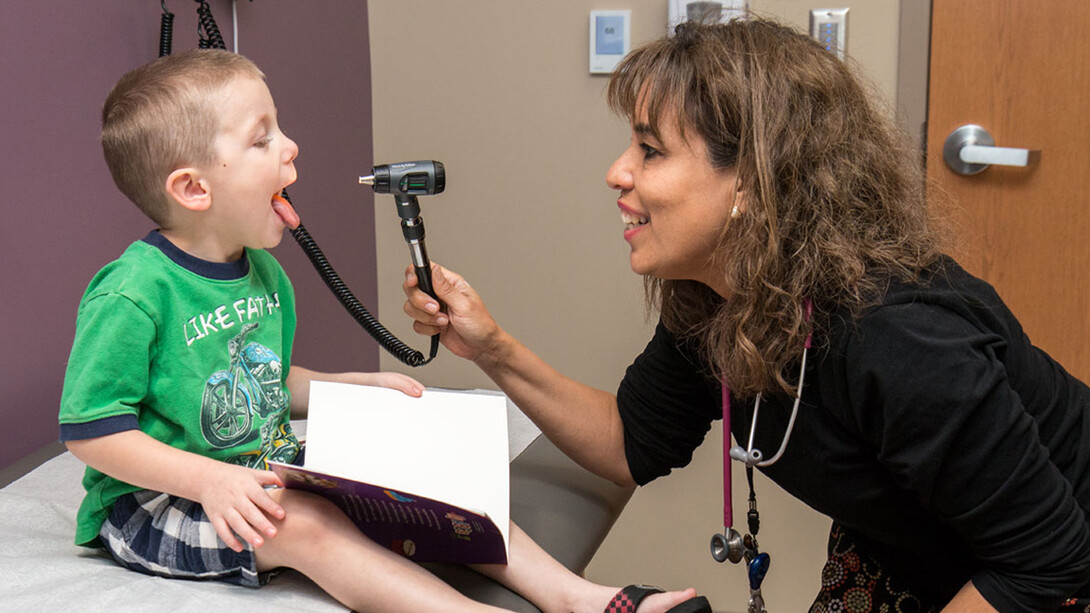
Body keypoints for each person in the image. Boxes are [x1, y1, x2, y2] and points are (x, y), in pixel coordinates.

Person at [403, 17, 1090, 613]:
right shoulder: (718, 297)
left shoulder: (897, 335)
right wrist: (490, 346)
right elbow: (628, 440)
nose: (618, 172)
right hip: (922, 554)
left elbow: (1046, 560)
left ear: (751, 186)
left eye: (650, 149)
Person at [57, 49, 709, 613]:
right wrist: (209, 481)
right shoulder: (133, 293)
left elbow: (263, 380)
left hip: (254, 466)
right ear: (193, 188)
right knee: (302, 519)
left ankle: (576, 595)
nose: (291, 147)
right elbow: (92, 432)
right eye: (262, 139)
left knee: (423, 470)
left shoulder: (260, 274)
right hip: (159, 499)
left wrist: (355, 388)